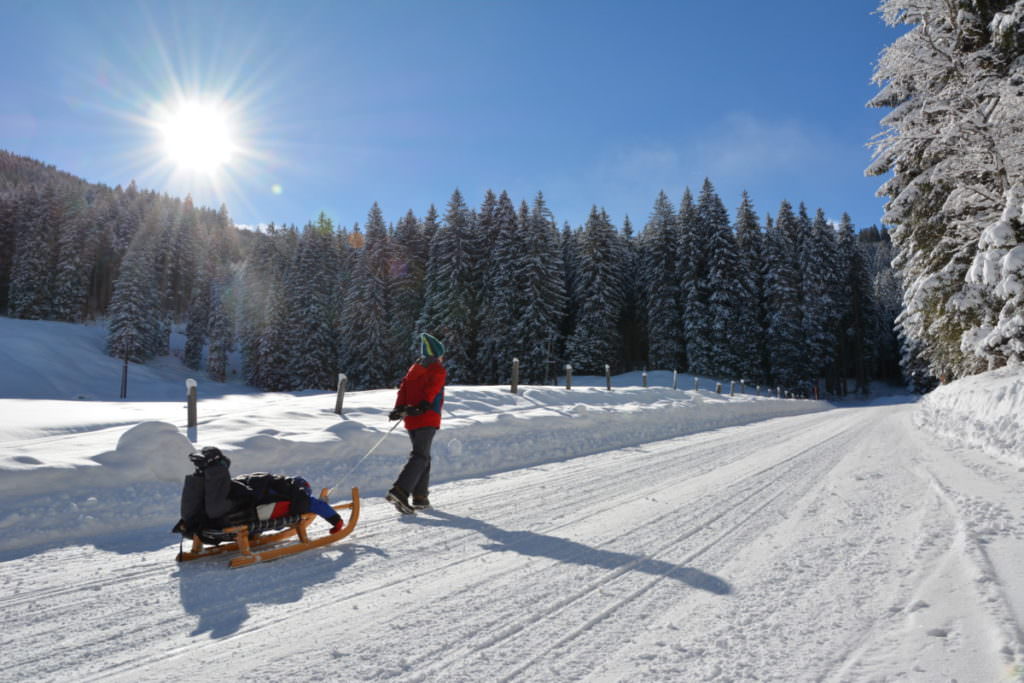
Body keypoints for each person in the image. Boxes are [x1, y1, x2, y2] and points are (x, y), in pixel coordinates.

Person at [172, 446, 344, 539]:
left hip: (239, 493)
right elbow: (318, 505)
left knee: (211, 502)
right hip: (246, 504)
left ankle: (202, 474)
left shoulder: (277, 483)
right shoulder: (296, 492)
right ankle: (216, 466)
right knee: (218, 507)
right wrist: (336, 521)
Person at [386, 332, 447, 515]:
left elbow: (403, 389)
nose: (443, 358)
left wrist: (399, 409)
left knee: (424, 456)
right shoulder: (437, 369)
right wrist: (423, 405)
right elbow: (433, 389)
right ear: (436, 354)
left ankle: (420, 497)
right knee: (420, 456)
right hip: (427, 416)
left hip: (412, 418)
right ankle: (400, 491)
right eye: (441, 354)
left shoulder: (414, 368)